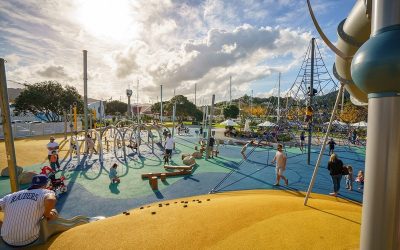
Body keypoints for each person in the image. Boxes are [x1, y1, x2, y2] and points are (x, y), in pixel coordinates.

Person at [0, 174, 58, 247]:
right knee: (53, 211)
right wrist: (47, 214)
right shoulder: (45, 191)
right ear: (46, 184)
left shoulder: (12, 195)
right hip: (29, 239)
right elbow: (50, 200)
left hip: (6, 238)